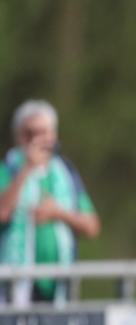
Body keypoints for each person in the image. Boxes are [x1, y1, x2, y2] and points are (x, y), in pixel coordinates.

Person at [0, 100, 100, 305]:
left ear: (53, 136)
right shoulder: (8, 170)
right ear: (19, 137)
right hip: (14, 285)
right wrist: (26, 169)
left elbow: (92, 226)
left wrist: (57, 213)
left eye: (43, 133)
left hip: (60, 284)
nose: (37, 140)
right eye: (30, 133)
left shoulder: (66, 173)